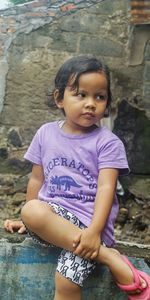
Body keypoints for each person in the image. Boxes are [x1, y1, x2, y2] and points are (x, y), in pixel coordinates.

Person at [4, 56, 150, 300]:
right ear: (59, 98)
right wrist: (29, 225)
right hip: (54, 222)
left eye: (99, 97)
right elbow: (37, 181)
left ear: (107, 102)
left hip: (89, 226)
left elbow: (106, 188)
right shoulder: (45, 134)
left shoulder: (107, 143)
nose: (91, 104)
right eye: (81, 95)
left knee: (66, 282)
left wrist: (94, 233)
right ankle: (108, 256)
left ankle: (101, 249)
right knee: (31, 211)